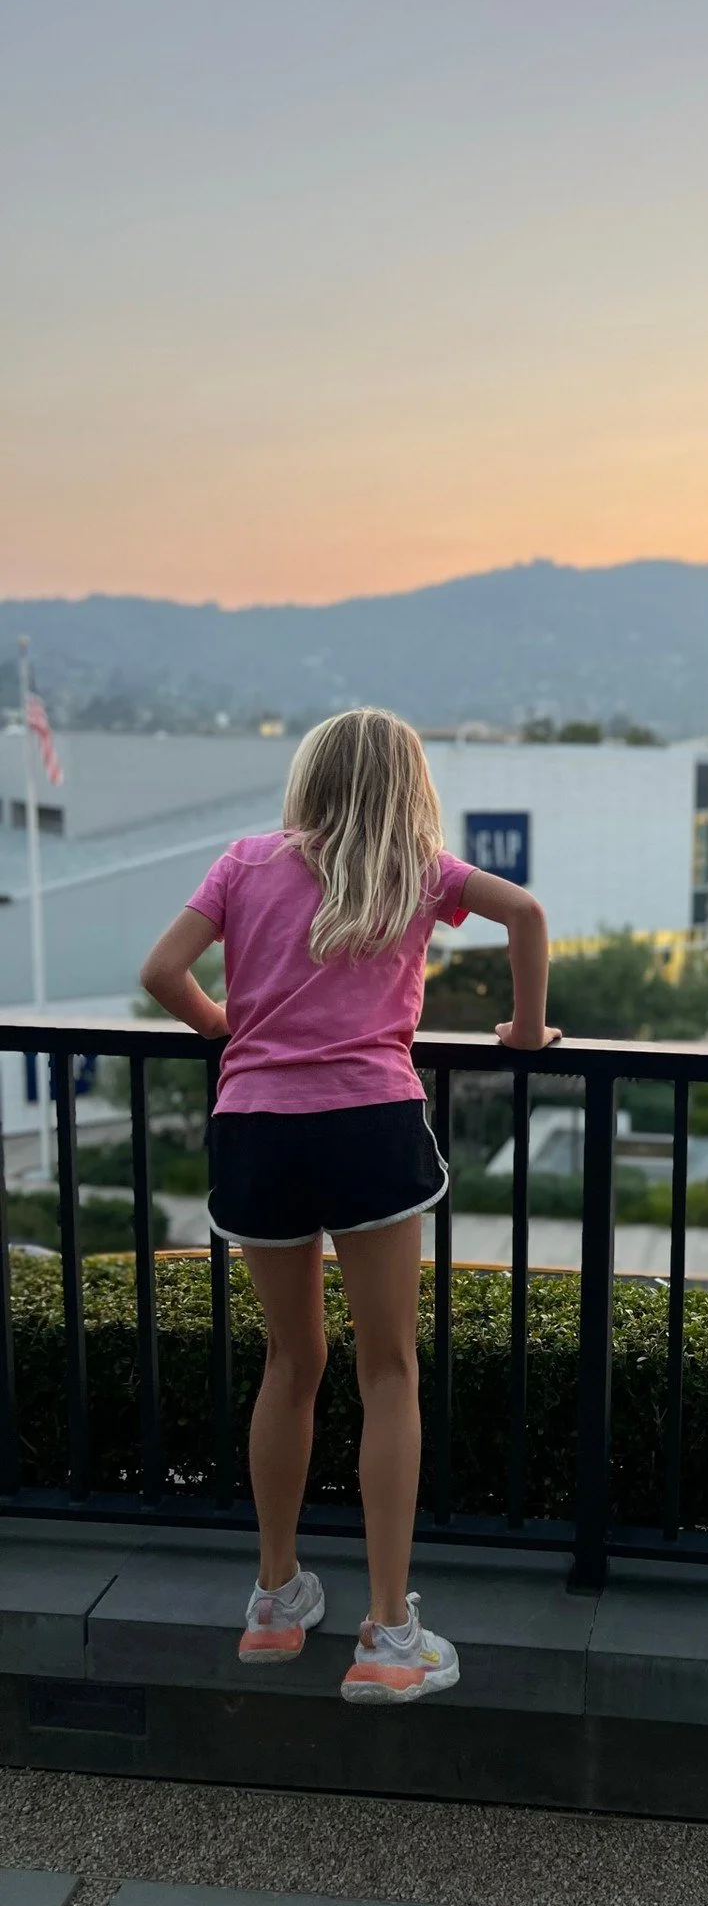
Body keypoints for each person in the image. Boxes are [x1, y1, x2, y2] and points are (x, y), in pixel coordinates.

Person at [139, 708, 558, 1705]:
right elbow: (529, 916)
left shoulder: (245, 862)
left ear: (311, 776)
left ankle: (277, 1601)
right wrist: (527, 1031)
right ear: (410, 785)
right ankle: (389, 1635)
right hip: (370, 1126)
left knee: (290, 1363)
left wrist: (219, 1023)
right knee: (389, 1371)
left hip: (258, 1130)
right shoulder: (418, 869)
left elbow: (162, 972)